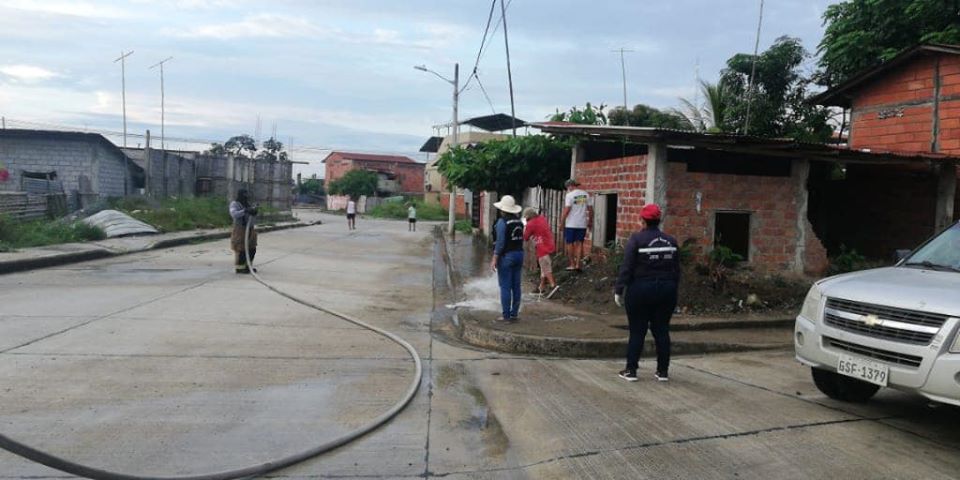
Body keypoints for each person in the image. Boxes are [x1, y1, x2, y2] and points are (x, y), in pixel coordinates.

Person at [614, 203, 680, 382]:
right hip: (667, 289)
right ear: (659, 220)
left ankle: (631, 370)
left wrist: (619, 289)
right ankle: (663, 371)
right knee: (662, 330)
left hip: (641, 289)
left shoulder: (636, 240)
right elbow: (676, 270)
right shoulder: (671, 241)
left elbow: (627, 267)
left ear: (642, 220)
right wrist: (674, 290)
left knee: (637, 330)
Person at [489, 195, 524, 321]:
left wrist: (495, 258)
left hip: (506, 256)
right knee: (516, 286)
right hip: (519, 254)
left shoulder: (502, 222)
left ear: (502, 210)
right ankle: (514, 314)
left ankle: (506, 315)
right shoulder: (519, 222)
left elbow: (500, 242)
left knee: (505, 286)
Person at [522, 207, 559, 299]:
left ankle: (553, 285)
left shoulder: (530, 224)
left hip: (542, 248)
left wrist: (526, 226)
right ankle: (541, 288)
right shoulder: (542, 218)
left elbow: (526, 237)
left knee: (546, 268)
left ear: (528, 217)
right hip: (549, 245)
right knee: (543, 268)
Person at [560, 179, 592, 271]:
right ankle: (578, 264)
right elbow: (590, 209)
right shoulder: (585, 194)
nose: (568, 189)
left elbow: (567, 210)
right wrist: (590, 221)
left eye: (567, 187)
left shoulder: (569, 195)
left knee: (569, 243)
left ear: (570, 186)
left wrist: (562, 222)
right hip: (582, 224)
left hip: (571, 224)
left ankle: (572, 264)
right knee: (580, 243)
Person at [229, 188, 258, 274]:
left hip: (250, 229)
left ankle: (248, 266)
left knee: (252, 248)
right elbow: (234, 214)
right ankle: (240, 268)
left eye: (247, 194)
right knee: (241, 249)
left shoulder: (248, 204)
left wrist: (254, 212)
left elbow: (252, 215)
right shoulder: (234, 204)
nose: (246, 196)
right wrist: (245, 211)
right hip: (240, 229)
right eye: (244, 194)